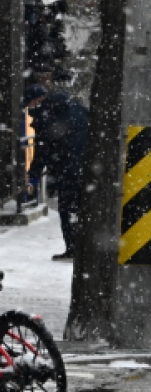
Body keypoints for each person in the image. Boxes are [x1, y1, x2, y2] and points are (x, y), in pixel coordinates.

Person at [23, 84, 89, 261]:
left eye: (29, 106)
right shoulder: (76, 106)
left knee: (67, 209)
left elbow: (42, 151)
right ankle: (87, 248)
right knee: (84, 208)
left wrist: (34, 177)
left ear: (37, 101)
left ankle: (73, 249)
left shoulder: (47, 116)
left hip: (66, 168)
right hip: (88, 167)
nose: (29, 111)